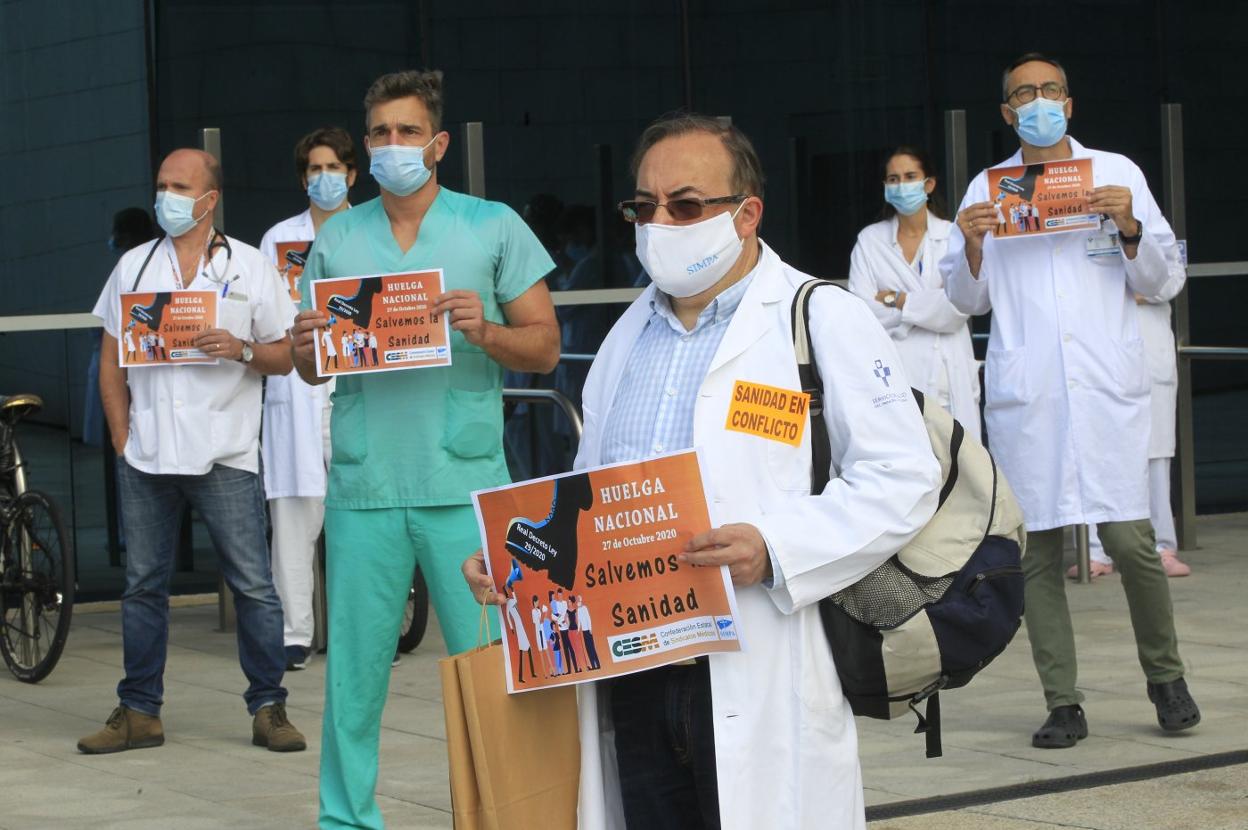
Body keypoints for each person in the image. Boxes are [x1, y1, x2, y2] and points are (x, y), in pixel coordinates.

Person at [465, 113, 940, 830]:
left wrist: (775, 547)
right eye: (643, 206)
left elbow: (903, 479)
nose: (660, 222)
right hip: (634, 674)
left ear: (747, 214)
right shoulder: (627, 337)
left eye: (685, 205)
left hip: (759, 658)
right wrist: (517, 560)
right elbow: (591, 500)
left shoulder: (820, 318)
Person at [287, 69, 560, 829]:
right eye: (380, 133)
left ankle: (510, 811)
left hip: (462, 479)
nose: (393, 145)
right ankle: (346, 819)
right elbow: (311, 365)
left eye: (408, 132)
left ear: (438, 144)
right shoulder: (338, 235)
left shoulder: (491, 224)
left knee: (492, 663)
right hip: (366, 483)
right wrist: (304, 343)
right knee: (354, 676)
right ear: (363, 146)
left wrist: (486, 329)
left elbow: (543, 348)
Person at [941, 52, 1199, 750]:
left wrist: (1131, 230)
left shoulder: (1116, 175)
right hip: (1034, 400)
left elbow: (1163, 278)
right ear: (1006, 112)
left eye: (1049, 90)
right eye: (1023, 93)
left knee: (1130, 542)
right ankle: (1063, 702)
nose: (1037, 101)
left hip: (1102, 389)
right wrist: (968, 246)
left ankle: (1166, 679)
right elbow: (969, 300)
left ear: (1069, 102)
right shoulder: (988, 187)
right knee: (1038, 556)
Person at [79, 148, 306, 755]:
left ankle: (269, 708)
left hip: (225, 453)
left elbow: (285, 355)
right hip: (148, 455)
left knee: (254, 586)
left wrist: (240, 348)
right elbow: (109, 363)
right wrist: (123, 439)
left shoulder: (253, 268)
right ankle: (138, 711)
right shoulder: (133, 266)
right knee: (143, 587)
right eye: (161, 185)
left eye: (180, 187)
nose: (167, 197)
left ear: (209, 199)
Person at [259, 127, 357, 671]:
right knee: (294, 518)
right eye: (314, 169)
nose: (324, 178)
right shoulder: (276, 240)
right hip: (296, 389)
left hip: (356, 386)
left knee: (355, 520)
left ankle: (360, 632)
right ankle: (294, 633)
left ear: (351, 174)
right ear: (303, 178)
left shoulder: (374, 230)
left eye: (333, 168)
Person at [848, 145, 981, 440]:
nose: (901, 185)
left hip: (949, 376)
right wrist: (929, 306)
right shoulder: (870, 241)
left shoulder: (952, 236)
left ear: (928, 184)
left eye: (910, 176)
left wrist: (897, 299)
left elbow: (957, 309)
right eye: (893, 179)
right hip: (894, 379)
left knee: (959, 471)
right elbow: (861, 313)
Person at [504, 585, 535, 684]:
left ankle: (532, 672)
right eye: (507, 591)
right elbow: (508, 616)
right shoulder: (508, 603)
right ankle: (521, 676)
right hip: (518, 626)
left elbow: (516, 600)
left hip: (520, 624)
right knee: (522, 649)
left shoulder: (512, 601)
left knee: (528, 648)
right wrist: (512, 628)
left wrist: (513, 591)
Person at [576, 594, 600, 670]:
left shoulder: (584, 608)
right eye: (577, 600)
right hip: (584, 631)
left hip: (588, 630)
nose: (578, 601)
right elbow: (579, 621)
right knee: (588, 648)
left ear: (581, 600)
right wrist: (578, 629)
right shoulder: (578, 610)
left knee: (592, 647)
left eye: (579, 600)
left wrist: (590, 628)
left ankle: (598, 665)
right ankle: (593, 665)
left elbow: (588, 618)